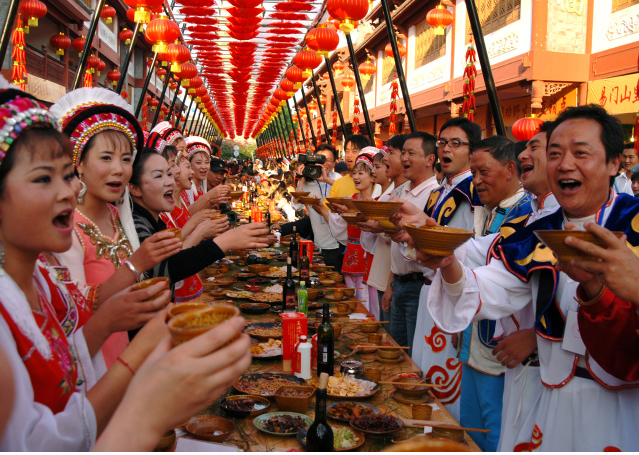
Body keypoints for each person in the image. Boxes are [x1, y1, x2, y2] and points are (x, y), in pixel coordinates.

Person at [0, 81, 251, 451]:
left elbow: (68, 362)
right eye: (43, 178)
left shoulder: (42, 278)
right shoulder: (38, 273)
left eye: (65, 176)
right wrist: (145, 403)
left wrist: (144, 340)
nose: (67, 191)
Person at [427, 105, 639, 451]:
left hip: (621, 405)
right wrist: (446, 260)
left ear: (614, 163)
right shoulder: (540, 231)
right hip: (547, 395)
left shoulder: (633, 224)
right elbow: (488, 287)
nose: (565, 164)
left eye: (580, 153)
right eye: (555, 154)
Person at [50, 87, 182, 370]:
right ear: (79, 163)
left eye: (125, 159)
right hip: (90, 360)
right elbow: (73, 308)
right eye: (106, 158)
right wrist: (136, 266)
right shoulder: (67, 227)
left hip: (124, 351)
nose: (119, 169)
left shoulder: (116, 215)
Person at [390, 117, 481, 422]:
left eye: (456, 143)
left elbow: (471, 251)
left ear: (472, 151)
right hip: (430, 289)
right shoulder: (441, 192)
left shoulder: (472, 194)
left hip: (454, 293)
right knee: (423, 368)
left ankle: (439, 434)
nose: (446, 149)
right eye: (443, 142)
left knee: (445, 383)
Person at [456, 136, 533, 451]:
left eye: (483, 172)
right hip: (476, 340)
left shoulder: (524, 213)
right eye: (473, 173)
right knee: (471, 427)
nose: (476, 181)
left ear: (511, 169)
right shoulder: (491, 210)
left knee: (495, 432)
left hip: (504, 347)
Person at [130, 150, 270, 287]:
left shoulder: (153, 221)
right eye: (159, 176)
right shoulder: (138, 227)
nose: (171, 182)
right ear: (135, 189)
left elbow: (173, 258)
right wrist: (224, 240)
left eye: (169, 174)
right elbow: (166, 271)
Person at [383, 132, 440, 358]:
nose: (404, 158)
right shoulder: (401, 191)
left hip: (418, 284)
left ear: (429, 159)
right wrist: (391, 284)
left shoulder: (436, 195)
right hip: (399, 282)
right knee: (397, 353)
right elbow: (395, 245)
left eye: (411, 153)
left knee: (415, 356)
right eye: (403, 152)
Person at [359, 134, 409, 328]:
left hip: (400, 278)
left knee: (392, 334)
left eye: (391, 153)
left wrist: (378, 225)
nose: (386, 159)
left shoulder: (403, 194)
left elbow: (401, 236)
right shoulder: (396, 192)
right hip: (390, 274)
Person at [291, 145, 341, 270]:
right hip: (319, 243)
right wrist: (301, 179)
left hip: (339, 242)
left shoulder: (337, 179)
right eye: (320, 159)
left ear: (334, 162)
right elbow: (296, 205)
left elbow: (346, 193)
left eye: (328, 160)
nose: (324, 163)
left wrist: (326, 179)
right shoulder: (308, 181)